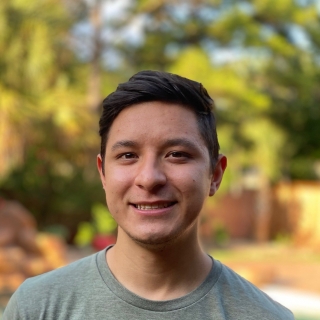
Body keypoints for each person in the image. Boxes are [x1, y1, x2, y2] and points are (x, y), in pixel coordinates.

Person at [3, 71, 293, 319]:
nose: (149, 178)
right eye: (128, 155)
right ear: (103, 173)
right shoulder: (37, 308)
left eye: (177, 154)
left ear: (215, 175)